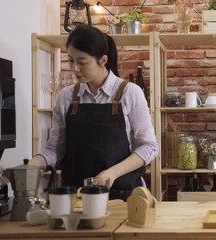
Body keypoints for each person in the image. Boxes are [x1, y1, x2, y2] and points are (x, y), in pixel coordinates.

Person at [29, 25, 158, 201]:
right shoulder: (66, 97)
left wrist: (112, 173)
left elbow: (149, 147)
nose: (75, 68)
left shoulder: (130, 93)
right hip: (75, 197)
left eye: (82, 62)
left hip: (123, 196)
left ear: (103, 60)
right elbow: (55, 148)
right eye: (71, 60)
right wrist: (29, 166)